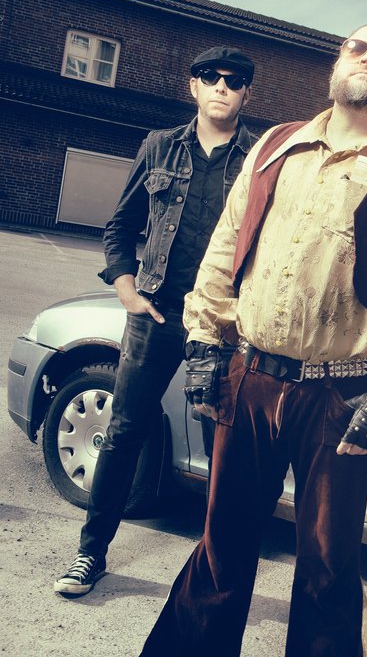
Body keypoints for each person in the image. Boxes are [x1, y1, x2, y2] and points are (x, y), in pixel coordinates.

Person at [139, 23, 367, 657]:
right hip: (250, 379)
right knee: (221, 548)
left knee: (327, 566)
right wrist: (205, 342)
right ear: (337, 65)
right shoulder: (274, 147)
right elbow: (227, 244)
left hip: (341, 398)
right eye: (359, 49)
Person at [53, 46, 256, 597]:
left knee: (226, 449)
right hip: (155, 313)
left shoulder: (259, 161)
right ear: (193, 86)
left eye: (233, 81)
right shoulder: (160, 147)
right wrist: (127, 291)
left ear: (245, 94)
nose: (220, 86)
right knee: (122, 434)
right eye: (209, 77)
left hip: (219, 326)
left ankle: (217, 575)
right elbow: (119, 229)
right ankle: (89, 555)